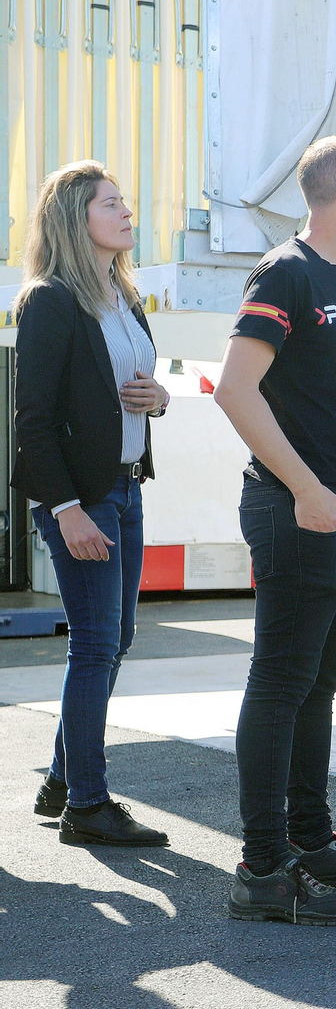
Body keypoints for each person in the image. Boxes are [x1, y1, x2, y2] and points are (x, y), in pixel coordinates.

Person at [215, 135, 336, 926]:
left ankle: (308, 836)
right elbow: (235, 390)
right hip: (295, 512)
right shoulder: (284, 271)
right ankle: (263, 869)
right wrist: (305, 487)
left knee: (319, 685)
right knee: (281, 683)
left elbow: (332, 400)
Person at [14, 162, 170, 847]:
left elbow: (135, 388)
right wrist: (67, 507)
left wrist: (158, 398)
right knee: (97, 644)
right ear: (76, 220)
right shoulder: (51, 300)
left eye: (124, 201)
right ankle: (87, 804)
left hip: (127, 487)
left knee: (117, 639)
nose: (127, 211)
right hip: (83, 498)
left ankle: (60, 777)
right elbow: (32, 419)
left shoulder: (124, 294)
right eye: (111, 204)